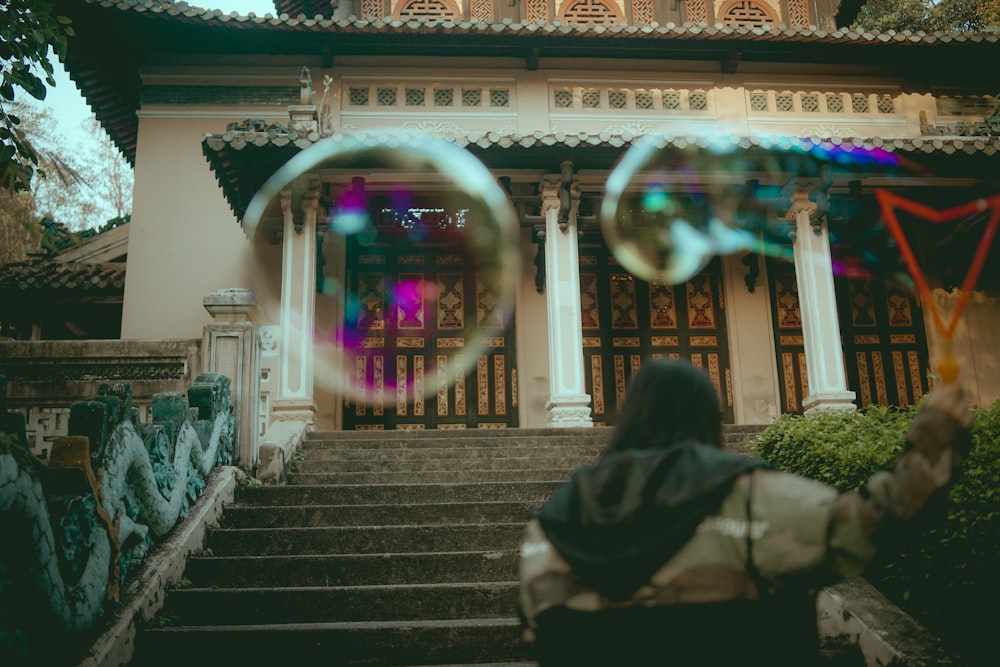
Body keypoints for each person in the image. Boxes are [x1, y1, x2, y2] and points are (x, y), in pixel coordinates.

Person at [518, 358, 971, 666]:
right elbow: (878, 521)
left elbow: (540, 633)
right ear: (709, 417)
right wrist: (937, 432)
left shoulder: (553, 523)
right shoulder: (753, 497)